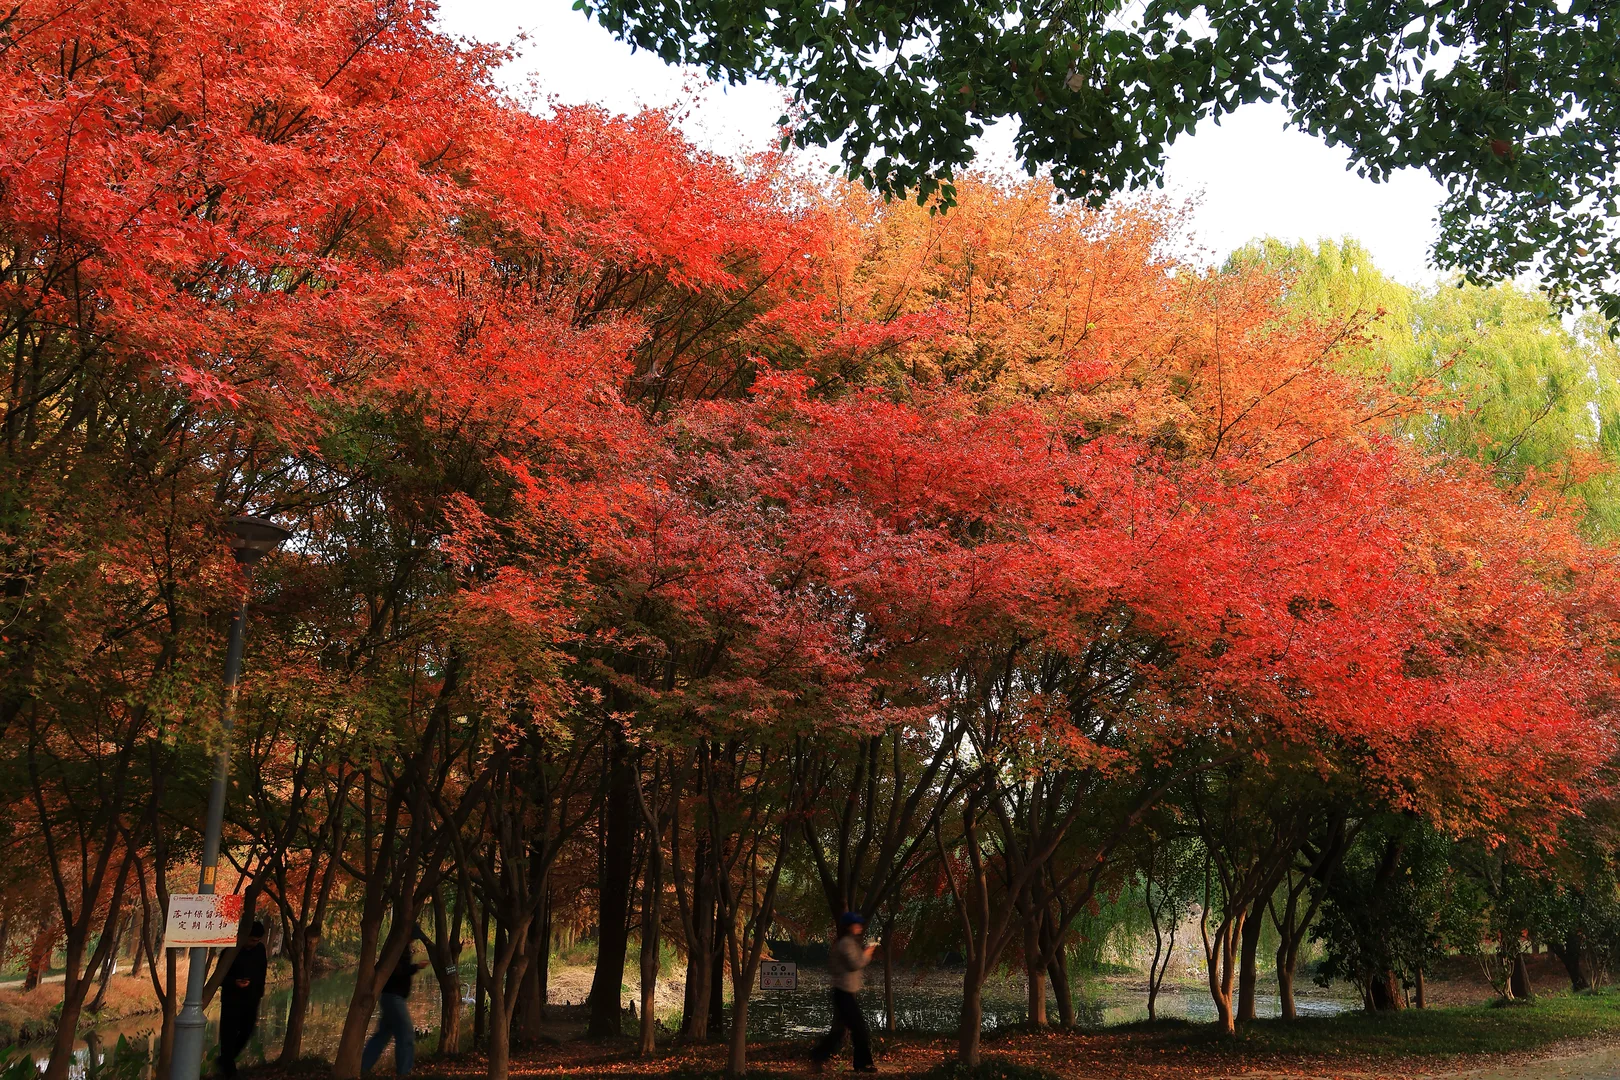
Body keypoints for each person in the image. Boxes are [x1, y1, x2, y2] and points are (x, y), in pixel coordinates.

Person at [810, 911, 878, 1074]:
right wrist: (868, 951)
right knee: (859, 1029)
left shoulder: (848, 943)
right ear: (850, 926)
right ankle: (862, 1064)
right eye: (857, 924)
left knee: (840, 1032)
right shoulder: (846, 944)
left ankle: (818, 1056)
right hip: (844, 993)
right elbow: (855, 964)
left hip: (845, 992)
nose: (860, 927)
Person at [216, 920, 268, 1078]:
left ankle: (225, 1060)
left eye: (257, 940)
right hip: (232, 999)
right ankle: (228, 1069)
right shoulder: (230, 951)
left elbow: (262, 972)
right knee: (228, 1034)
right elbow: (219, 977)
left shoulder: (260, 950)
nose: (254, 943)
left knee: (247, 1030)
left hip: (251, 998)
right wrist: (234, 982)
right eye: (252, 940)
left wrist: (259, 991)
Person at [362, 947, 425, 1076]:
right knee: (406, 1035)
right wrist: (416, 967)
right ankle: (404, 1073)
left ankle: (362, 1068)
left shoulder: (401, 947)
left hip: (391, 997)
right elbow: (397, 970)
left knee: (382, 1036)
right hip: (393, 998)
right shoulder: (398, 947)